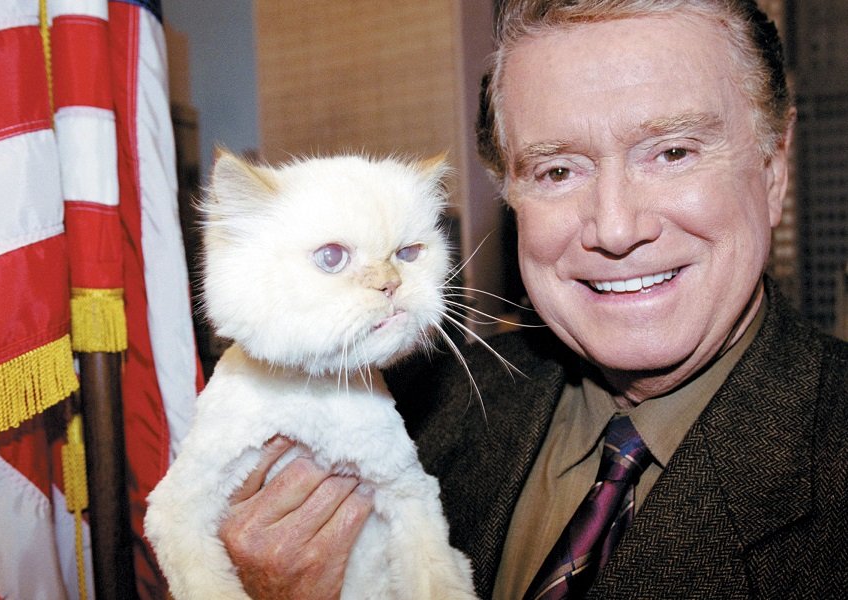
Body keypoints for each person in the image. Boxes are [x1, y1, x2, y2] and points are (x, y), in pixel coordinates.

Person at [217, 1, 848, 598]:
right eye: (558, 171)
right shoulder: (410, 411)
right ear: (511, 195)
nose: (616, 227)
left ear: (773, 169)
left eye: (673, 153)